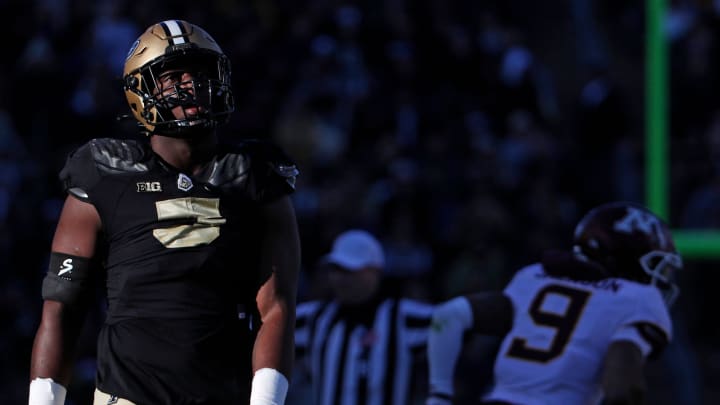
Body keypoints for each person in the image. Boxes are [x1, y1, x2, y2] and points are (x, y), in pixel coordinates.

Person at [28, 20, 300, 405]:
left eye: (199, 74)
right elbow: (62, 307)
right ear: (142, 91)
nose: (189, 85)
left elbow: (277, 307)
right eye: (172, 77)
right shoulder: (104, 174)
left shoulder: (255, 176)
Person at [426, 202, 683, 405]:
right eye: (655, 266)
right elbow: (621, 391)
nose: (660, 280)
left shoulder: (534, 277)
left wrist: (439, 397)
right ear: (625, 259)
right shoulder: (637, 298)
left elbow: (448, 316)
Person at [291, 229, 435, 405]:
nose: (340, 278)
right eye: (336, 269)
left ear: (375, 272)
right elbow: (265, 327)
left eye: (350, 270)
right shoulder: (315, 318)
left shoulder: (402, 317)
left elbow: (457, 321)